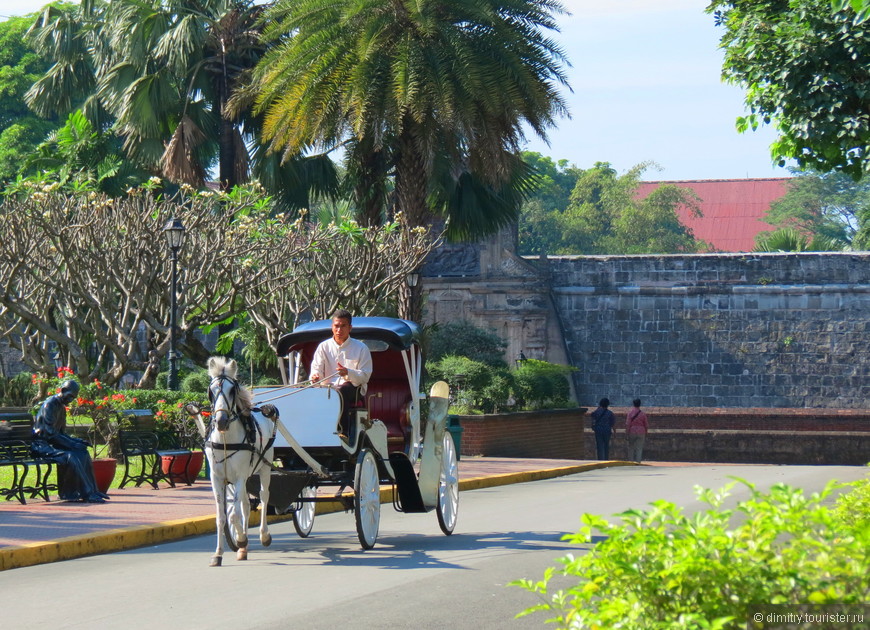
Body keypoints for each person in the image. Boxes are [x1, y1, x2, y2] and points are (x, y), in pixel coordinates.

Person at [31, 380, 110, 503]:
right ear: (62, 391)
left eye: (73, 397)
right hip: (41, 445)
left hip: (51, 443)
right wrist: (72, 444)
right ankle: (87, 494)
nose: (71, 400)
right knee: (70, 457)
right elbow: (50, 434)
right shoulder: (49, 405)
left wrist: (77, 442)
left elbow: (61, 433)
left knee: (83, 452)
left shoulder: (61, 407)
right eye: (70, 396)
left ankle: (92, 491)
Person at [310, 310, 373, 441]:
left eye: (343, 326)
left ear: (350, 328)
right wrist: (315, 377)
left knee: (341, 390)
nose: (339, 329)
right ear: (332, 327)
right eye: (336, 326)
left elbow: (365, 376)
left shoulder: (361, 348)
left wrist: (348, 373)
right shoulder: (323, 347)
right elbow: (316, 370)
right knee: (306, 393)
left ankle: (342, 431)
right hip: (327, 388)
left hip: (353, 389)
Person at [625, 398, 649, 463]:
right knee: (639, 448)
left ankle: (631, 461)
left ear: (633, 404)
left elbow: (628, 424)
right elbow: (646, 424)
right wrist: (646, 432)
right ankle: (638, 462)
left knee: (631, 447)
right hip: (641, 431)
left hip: (632, 431)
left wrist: (627, 433)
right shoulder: (643, 414)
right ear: (640, 404)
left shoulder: (630, 413)